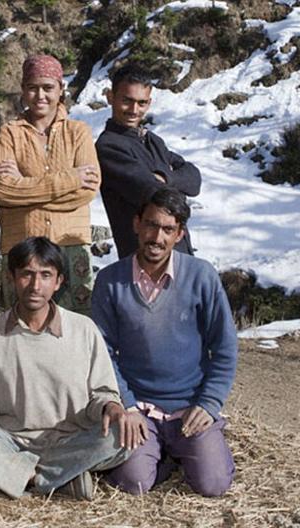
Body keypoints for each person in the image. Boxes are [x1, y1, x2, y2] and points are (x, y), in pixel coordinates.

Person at [0, 237, 133, 500]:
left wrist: (113, 408)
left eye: (45, 275)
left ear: (59, 281)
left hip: (71, 440)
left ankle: (17, 476)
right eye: (27, 274)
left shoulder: (84, 330)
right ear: (11, 278)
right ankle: (59, 478)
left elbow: (102, 395)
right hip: (9, 442)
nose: (36, 286)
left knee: (123, 435)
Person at [91, 187, 237, 497]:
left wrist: (209, 404)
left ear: (179, 234)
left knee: (213, 485)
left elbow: (224, 349)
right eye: (151, 225)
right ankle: (162, 455)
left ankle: (189, 447)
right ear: (136, 224)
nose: (157, 237)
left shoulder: (202, 276)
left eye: (168, 229)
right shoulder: (109, 281)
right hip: (139, 409)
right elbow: (102, 352)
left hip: (189, 407)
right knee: (134, 483)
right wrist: (126, 405)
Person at [0, 54, 100, 316]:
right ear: (23, 91)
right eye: (33, 87)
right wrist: (70, 179)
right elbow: (1, 190)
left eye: (48, 87)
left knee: (74, 329)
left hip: (70, 247)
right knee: (22, 331)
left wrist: (24, 187)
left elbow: (87, 190)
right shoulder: (9, 133)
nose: (41, 95)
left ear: (60, 90)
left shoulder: (79, 132)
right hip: (21, 247)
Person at [95, 65, 201, 259]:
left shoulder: (153, 141)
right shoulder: (108, 146)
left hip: (179, 256)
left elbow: (195, 180)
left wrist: (164, 177)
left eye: (141, 103)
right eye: (127, 101)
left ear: (149, 103)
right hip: (143, 262)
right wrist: (174, 183)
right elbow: (154, 193)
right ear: (110, 97)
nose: (134, 110)